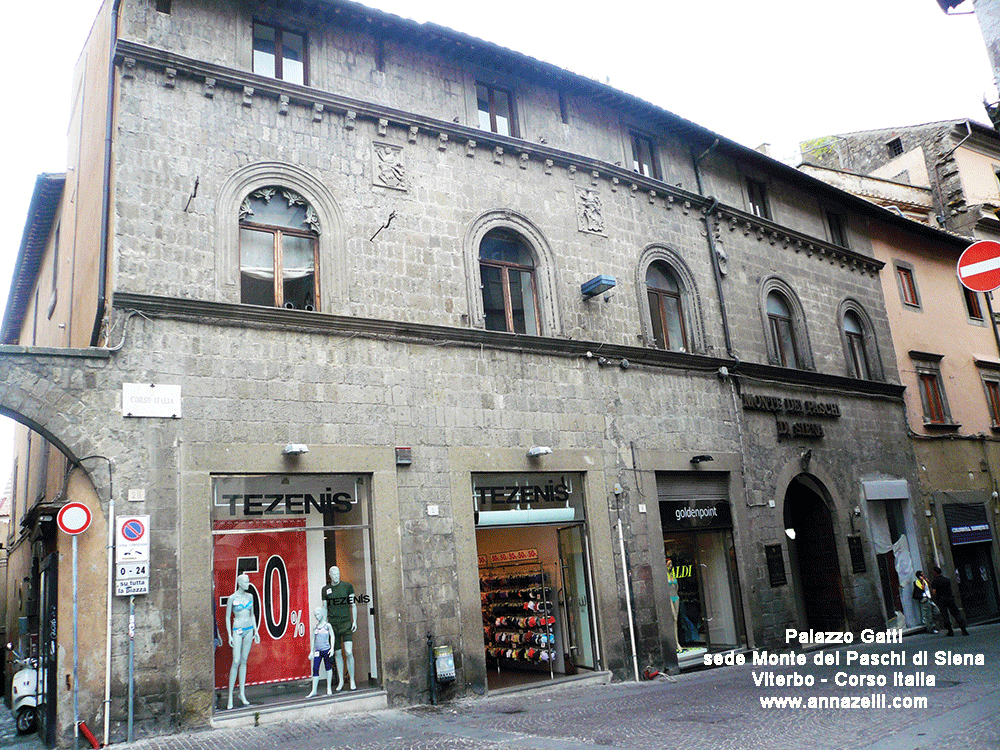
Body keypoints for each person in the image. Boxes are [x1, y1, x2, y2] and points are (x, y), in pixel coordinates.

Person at [225, 574, 260, 709]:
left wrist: (256, 631)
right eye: (245, 581)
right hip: (237, 629)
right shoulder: (232, 598)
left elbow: (252, 614)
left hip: (249, 629)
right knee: (236, 661)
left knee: (244, 660)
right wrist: (229, 635)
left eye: (248, 581)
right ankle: (230, 696)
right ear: (239, 583)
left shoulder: (250, 596)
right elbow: (228, 617)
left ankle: (242, 693)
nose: (248, 583)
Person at [321, 565, 358, 690]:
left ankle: (352, 680)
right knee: (337, 653)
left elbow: (353, 605)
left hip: (346, 623)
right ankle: (341, 680)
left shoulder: (347, 587)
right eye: (334, 574)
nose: (336, 576)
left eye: (338, 574)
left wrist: (355, 621)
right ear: (330, 575)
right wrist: (325, 624)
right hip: (333, 625)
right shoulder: (326, 590)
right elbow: (325, 608)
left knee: (348, 651)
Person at [306, 606, 336, 697]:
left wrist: (332, 648)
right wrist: (311, 651)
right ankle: (314, 690)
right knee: (315, 668)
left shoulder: (327, 626)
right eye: (315, 615)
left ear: (322, 614)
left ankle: (329, 688)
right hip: (317, 651)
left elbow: (332, 636)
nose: (316, 616)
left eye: (318, 614)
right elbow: (313, 640)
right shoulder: (315, 627)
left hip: (326, 650)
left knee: (328, 667)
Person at [931, 565, 969, 636]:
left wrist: (934, 597)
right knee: (956, 614)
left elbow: (934, 592)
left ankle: (950, 631)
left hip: (941, 599)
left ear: (935, 572)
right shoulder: (947, 580)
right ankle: (963, 629)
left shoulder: (935, 581)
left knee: (945, 615)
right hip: (949, 598)